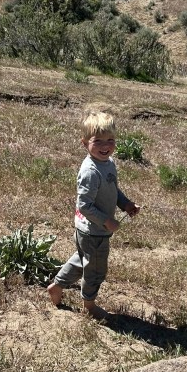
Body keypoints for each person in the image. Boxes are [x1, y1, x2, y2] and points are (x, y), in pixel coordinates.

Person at [47, 109, 139, 319]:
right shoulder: (91, 171)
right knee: (95, 270)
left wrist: (125, 204)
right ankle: (89, 306)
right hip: (94, 231)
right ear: (84, 143)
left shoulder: (108, 164)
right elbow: (84, 205)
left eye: (110, 140)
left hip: (90, 230)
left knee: (83, 259)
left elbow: (112, 190)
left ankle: (57, 285)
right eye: (98, 141)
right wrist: (107, 221)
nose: (105, 146)